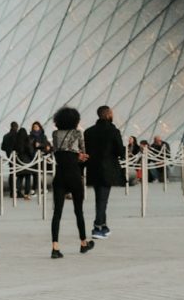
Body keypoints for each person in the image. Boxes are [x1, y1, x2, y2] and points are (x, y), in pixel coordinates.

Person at [49, 107, 94, 258]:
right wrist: (78, 157)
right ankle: (83, 243)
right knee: (78, 211)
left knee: (57, 213)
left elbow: (58, 153)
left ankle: (55, 247)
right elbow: (84, 152)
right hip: (74, 175)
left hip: (60, 175)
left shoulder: (55, 134)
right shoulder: (77, 133)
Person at [84, 105, 126, 238]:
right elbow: (120, 151)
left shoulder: (88, 131)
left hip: (93, 167)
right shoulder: (113, 131)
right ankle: (97, 227)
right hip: (108, 168)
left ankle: (103, 225)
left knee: (101, 197)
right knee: (102, 198)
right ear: (108, 115)